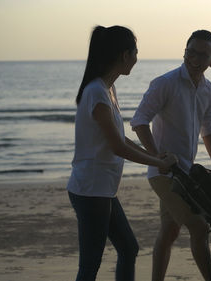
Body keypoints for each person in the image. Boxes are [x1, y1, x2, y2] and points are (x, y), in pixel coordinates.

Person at [66, 25, 177, 281]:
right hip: (90, 190)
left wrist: (155, 157)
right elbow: (117, 147)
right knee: (90, 266)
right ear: (124, 55)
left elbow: (119, 139)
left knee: (128, 247)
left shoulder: (107, 89)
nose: (137, 58)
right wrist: (156, 162)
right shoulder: (96, 92)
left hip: (102, 190)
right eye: (135, 52)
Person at [130, 30, 211, 281]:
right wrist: (157, 158)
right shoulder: (165, 83)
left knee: (169, 231)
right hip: (163, 175)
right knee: (199, 226)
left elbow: (209, 129)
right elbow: (139, 121)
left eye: (202, 54)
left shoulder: (207, 89)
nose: (193, 57)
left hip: (186, 173)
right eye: (190, 51)